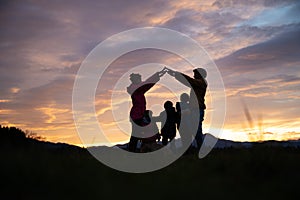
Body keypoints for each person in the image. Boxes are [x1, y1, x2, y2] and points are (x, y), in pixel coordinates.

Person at [127, 68, 167, 152]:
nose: (141, 80)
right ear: (135, 80)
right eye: (139, 79)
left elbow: (146, 84)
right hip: (136, 115)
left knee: (138, 133)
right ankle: (132, 150)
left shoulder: (137, 89)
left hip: (137, 115)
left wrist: (157, 75)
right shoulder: (136, 89)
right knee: (136, 134)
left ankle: (135, 150)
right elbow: (146, 84)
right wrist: (156, 76)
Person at [167, 67, 207, 149]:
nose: (194, 75)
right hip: (195, 109)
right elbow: (187, 81)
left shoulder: (201, 83)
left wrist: (176, 74)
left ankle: (200, 149)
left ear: (200, 74)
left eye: (195, 73)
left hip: (197, 109)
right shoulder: (197, 84)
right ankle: (198, 148)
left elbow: (188, 80)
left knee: (196, 130)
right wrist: (175, 75)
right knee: (194, 129)